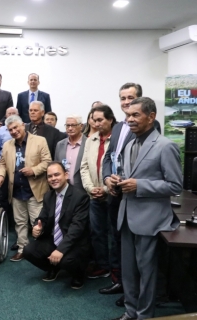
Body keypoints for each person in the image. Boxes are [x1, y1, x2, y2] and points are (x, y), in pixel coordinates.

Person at [110, 97, 182, 320]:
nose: (129, 119)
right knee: (129, 273)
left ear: (151, 117)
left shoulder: (165, 146)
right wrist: (117, 181)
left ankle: (144, 315)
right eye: (128, 115)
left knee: (147, 274)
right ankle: (130, 311)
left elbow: (175, 185)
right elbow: (131, 176)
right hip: (127, 217)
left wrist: (139, 185)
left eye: (135, 115)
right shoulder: (130, 144)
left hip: (150, 221)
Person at [101, 83, 162, 305]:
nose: (125, 102)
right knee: (117, 242)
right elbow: (108, 157)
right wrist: (107, 178)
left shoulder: (150, 127)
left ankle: (133, 294)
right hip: (115, 192)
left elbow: (146, 164)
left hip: (136, 196)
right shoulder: (117, 127)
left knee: (137, 251)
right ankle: (121, 283)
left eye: (130, 98)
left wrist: (131, 181)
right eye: (122, 98)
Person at [22, 161, 90, 289]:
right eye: (50, 176)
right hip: (54, 239)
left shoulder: (80, 196)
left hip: (74, 242)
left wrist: (60, 250)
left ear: (66, 175)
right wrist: (37, 227)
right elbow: (42, 217)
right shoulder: (48, 195)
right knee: (28, 251)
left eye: (57, 175)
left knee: (66, 260)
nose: (53, 179)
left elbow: (77, 229)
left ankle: (79, 274)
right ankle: (54, 267)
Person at [0, 115, 51, 262]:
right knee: (20, 222)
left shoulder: (39, 141)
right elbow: (3, 164)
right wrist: (0, 176)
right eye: (10, 129)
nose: (13, 131)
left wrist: (34, 170)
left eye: (16, 127)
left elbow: (47, 162)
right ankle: (22, 248)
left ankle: (40, 249)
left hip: (35, 190)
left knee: (37, 223)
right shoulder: (7, 145)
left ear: (23, 125)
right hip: (17, 191)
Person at [80, 105, 117, 280]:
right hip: (94, 195)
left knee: (115, 234)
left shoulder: (118, 139)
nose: (97, 123)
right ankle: (103, 266)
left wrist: (104, 189)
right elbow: (84, 167)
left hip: (112, 194)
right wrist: (91, 189)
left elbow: (120, 167)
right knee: (97, 232)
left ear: (110, 119)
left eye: (100, 120)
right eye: (94, 120)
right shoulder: (91, 139)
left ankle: (117, 270)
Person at [54, 114, 86, 190]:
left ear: (81, 126)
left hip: (83, 189)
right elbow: (57, 165)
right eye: (67, 126)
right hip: (64, 188)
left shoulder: (88, 143)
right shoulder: (60, 144)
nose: (70, 128)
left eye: (73, 125)